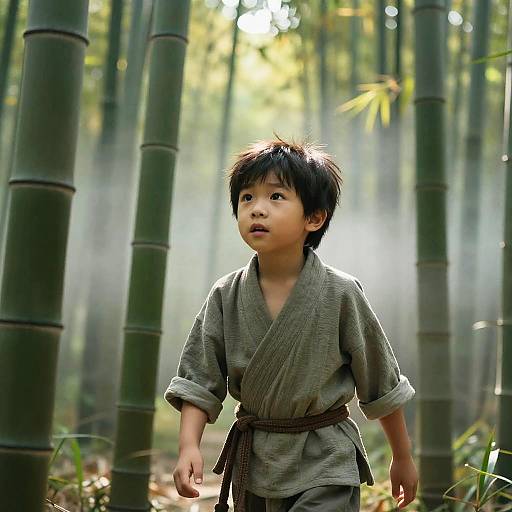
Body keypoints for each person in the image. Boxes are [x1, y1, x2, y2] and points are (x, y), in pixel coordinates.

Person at [164, 136, 418, 511]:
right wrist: (188, 446)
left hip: (326, 457)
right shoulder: (226, 295)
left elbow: (380, 380)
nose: (257, 210)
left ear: (314, 218)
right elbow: (199, 380)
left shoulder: (341, 292)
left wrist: (402, 456)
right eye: (246, 198)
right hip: (256, 462)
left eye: (276, 197)